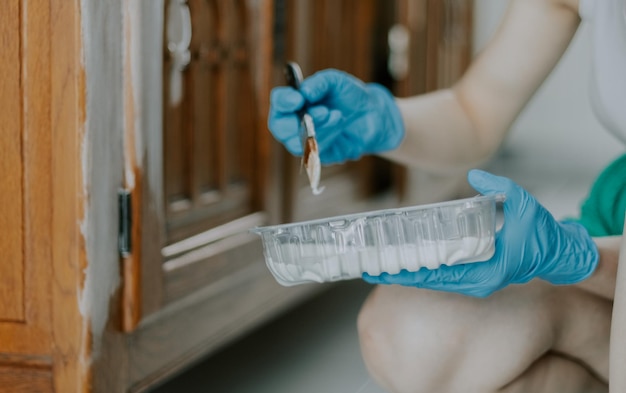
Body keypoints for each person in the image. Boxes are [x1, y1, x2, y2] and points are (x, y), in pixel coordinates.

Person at [268, 0, 626, 391]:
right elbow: (475, 114)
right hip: (615, 224)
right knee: (412, 332)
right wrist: (384, 119)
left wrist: (578, 259)